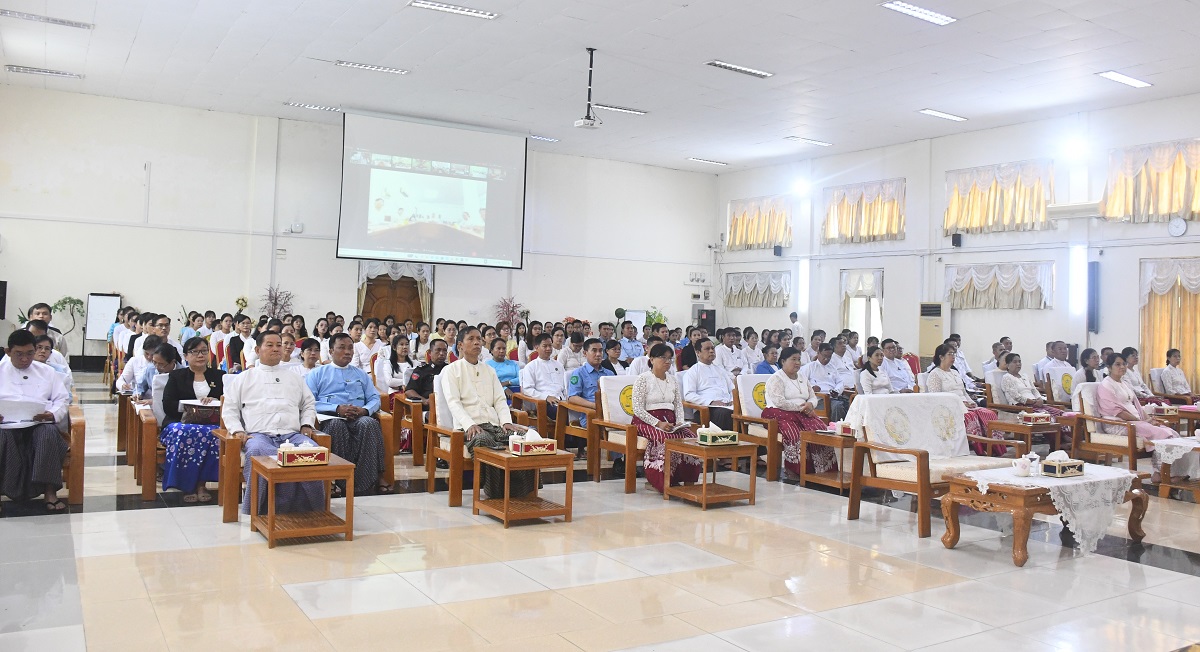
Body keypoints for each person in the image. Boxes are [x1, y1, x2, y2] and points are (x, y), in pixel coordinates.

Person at [224, 332, 326, 514]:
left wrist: (306, 424)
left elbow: (308, 404)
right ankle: (260, 510)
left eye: (279, 345)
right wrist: (237, 430)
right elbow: (230, 408)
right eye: (270, 345)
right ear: (257, 350)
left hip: (292, 435)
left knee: (312, 451)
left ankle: (313, 511)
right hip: (258, 436)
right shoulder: (244, 378)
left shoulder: (294, 377)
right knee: (258, 452)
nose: (276, 349)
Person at [440, 327, 531, 497]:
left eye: (478, 339)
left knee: (523, 436)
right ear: (460, 345)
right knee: (483, 440)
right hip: (468, 428)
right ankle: (495, 491)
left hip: (494, 425)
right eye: (471, 339)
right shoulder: (452, 370)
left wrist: (506, 422)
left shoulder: (489, 370)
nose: (476, 343)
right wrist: (469, 424)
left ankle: (523, 491)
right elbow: (453, 402)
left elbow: (499, 400)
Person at [306, 333, 388, 496]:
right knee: (337, 426)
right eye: (342, 348)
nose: (348, 352)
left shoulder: (361, 374)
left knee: (369, 424)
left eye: (350, 348)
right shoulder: (317, 373)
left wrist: (364, 410)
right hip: (331, 417)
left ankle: (367, 480)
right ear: (331, 351)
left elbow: (374, 398)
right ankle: (335, 479)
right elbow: (309, 401)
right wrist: (336, 408)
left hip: (359, 416)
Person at [0, 330, 71, 511]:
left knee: (48, 434)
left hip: (37, 424)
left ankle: (50, 492)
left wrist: (52, 414)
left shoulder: (47, 372)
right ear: (8, 351)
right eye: (19, 354)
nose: (25, 359)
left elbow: (62, 399)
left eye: (30, 353)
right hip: (5, 426)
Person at [1098, 353, 1192, 482]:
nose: (1122, 367)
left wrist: (1149, 419)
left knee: (1172, 433)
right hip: (1117, 424)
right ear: (1109, 367)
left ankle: (1162, 473)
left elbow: (1137, 406)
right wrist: (1143, 422)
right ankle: (1164, 473)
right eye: (1118, 364)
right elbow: (1117, 411)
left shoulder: (1124, 383)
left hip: (1135, 422)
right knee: (1163, 435)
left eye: (1124, 364)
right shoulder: (1106, 385)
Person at [159, 337, 225, 503]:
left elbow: (229, 402)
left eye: (203, 351)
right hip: (180, 423)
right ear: (186, 356)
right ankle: (187, 485)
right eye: (195, 352)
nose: (200, 355)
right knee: (185, 432)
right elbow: (168, 404)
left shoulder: (219, 376)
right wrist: (191, 407)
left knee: (214, 434)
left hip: (211, 423)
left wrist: (215, 401)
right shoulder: (176, 376)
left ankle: (201, 484)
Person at [631, 343, 702, 492]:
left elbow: (678, 405)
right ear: (651, 359)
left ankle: (687, 480)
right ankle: (662, 481)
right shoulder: (642, 379)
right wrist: (658, 423)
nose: (667, 361)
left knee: (690, 437)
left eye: (670, 358)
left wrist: (680, 423)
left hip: (670, 421)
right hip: (646, 421)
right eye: (663, 357)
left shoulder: (673, 380)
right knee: (663, 438)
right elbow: (637, 408)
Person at [763, 346, 832, 480]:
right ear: (783, 361)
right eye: (793, 359)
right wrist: (801, 408)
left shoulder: (802, 377)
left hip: (802, 412)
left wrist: (810, 404)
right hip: (778, 413)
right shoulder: (776, 378)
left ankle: (822, 470)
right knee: (795, 433)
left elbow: (812, 396)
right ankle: (795, 470)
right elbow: (779, 402)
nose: (797, 363)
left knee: (821, 430)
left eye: (799, 359)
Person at [928, 344, 1001, 455]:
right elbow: (936, 397)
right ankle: (980, 450)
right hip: (950, 407)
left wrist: (971, 402)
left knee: (988, 413)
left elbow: (963, 392)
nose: (953, 356)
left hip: (965, 405)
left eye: (954, 354)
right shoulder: (935, 374)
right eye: (950, 354)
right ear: (941, 357)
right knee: (970, 416)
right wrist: (961, 404)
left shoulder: (955, 372)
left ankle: (994, 448)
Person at [999, 353, 1071, 443]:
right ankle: (1059, 441)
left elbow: (1034, 390)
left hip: (1035, 404)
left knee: (1061, 413)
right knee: (1046, 416)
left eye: (1019, 362)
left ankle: (1065, 437)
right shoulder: (1007, 378)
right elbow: (1016, 396)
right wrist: (1032, 402)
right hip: (1022, 406)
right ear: (1008, 365)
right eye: (1015, 362)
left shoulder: (1024, 376)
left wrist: (1039, 399)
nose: (1018, 364)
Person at [520, 333, 569, 444]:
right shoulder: (531, 367)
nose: (548, 349)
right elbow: (527, 389)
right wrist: (546, 397)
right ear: (536, 347)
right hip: (544, 403)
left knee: (579, 412)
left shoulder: (558, 365)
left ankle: (579, 446)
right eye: (545, 346)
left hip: (562, 400)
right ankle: (561, 444)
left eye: (550, 345)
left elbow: (565, 387)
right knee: (562, 413)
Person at [682, 339, 735, 430]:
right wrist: (711, 402)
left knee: (743, 412)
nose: (711, 351)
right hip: (707, 409)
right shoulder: (692, 371)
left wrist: (733, 400)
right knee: (726, 414)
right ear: (698, 352)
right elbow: (689, 395)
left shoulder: (720, 370)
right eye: (707, 349)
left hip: (728, 405)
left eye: (712, 348)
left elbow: (732, 389)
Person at [406, 339, 449, 409]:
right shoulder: (421, 370)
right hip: (429, 407)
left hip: (448, 406)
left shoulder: (449, 369)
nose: (441, 353)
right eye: (438, 350)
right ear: (430, 352)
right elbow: (409, 391)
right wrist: (424, 400)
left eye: (444, 350)